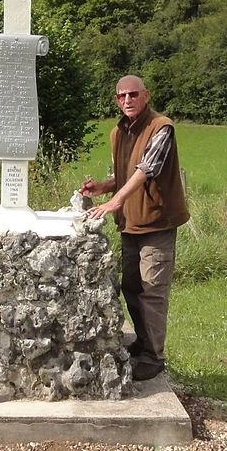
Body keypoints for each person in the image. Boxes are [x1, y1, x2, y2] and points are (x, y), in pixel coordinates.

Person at [80, 76, 189, 381]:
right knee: (132, 287)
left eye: (133, 95)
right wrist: (103, 187)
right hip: (130, 224)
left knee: (152, 290)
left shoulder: (161, 127)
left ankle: (153, 357)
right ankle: (142, 343)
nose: (127, 100)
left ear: (146, 96)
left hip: (156, 222)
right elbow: (125, 173)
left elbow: (146, 170)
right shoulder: (118, 132)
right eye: (121, 96)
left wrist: (115, 201)